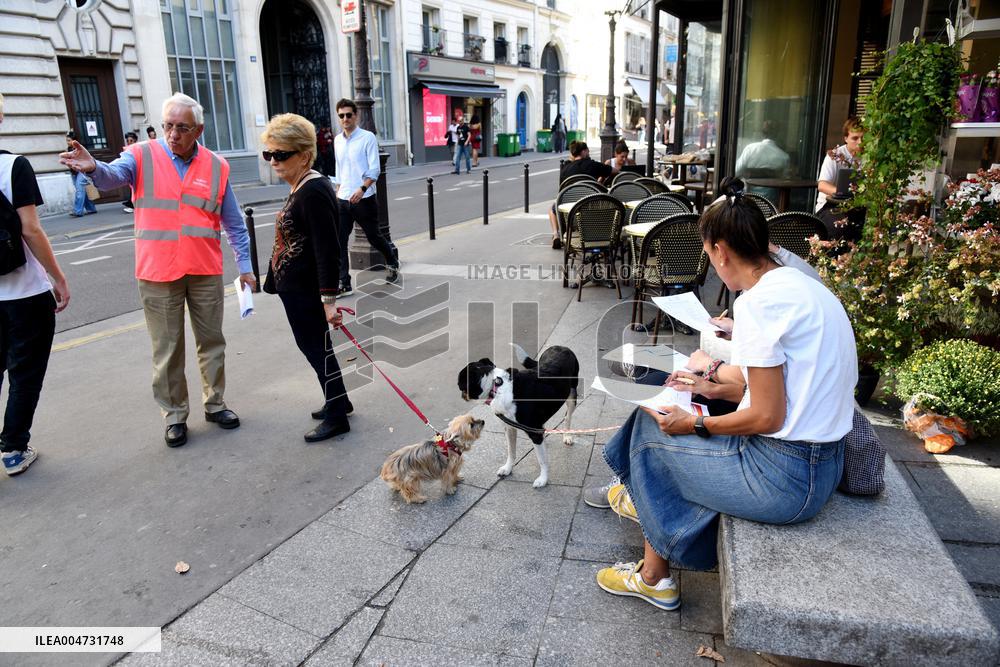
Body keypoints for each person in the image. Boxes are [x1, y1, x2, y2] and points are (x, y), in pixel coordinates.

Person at [588, 177, 856, 611]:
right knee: (674, 405)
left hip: (785, 478)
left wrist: (696, 422)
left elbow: (767, 417)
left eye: (708, 254)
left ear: (721, 251)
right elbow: (779, 385)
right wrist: (710, 385)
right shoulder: (799, 283)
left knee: (651, 430)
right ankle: (638, 495)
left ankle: (654, 576)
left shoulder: (759, 304)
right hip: (822, 462)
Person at [60, 92, 255, 448]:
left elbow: (234, 223)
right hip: (157, 271)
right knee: (167, 348)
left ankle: (215, 404)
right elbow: (112, 176)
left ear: (198, 129)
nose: (172, 134)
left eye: (182, 127)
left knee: (212, 342)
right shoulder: (140, 155)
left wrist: (245, 266)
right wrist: (93, 168)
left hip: (204, 268)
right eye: (167, 125)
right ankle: (175, 416)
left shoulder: (217, 166)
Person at [260, 113, 353, 442]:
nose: (273, 161)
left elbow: (328, 249)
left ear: (304, 154)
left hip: (306, 291)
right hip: (297, 288)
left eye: (281, 154)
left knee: (315, 348)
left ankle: (338, 415)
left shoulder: (312, 191)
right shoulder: (304, 185)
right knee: (318, 347)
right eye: (268, 154)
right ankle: (339, 399)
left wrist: (329, 301)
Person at [0, 93, 70, 476]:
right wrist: (57, 277)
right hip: (24, 293)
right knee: (24, 372)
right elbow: (30, 229)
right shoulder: (14, 166)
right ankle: (13, 450)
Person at [332, 98, 399, 295]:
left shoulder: (367, 137)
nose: (345, 119)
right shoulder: (337, 140)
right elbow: (339, 167)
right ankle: (344, 282)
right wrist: (337, 190)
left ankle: (392, 262)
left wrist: (362, 189)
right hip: (343, 199)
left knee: (374, 237)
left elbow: (375, 169)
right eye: (341, 116)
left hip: (364, 197)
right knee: (340, 241)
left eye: (348, 115)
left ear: (356, 115)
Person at [548, 140, 621, 249]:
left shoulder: (565, 169)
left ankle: (556, 234)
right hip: (592, 209)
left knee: (552, 208)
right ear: (583, 152)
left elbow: (561, 191)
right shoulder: (593, 165)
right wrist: (601, 179)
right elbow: (616, 171)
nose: (589, 152)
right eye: (587, 151)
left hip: (570, 212)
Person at [816, 117, 865, 242]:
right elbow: (822, 185)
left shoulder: (870, 158)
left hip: (858, 206)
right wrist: (842, 192)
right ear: (846, 138)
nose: (860, 142)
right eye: (855, 138)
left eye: (863, 138)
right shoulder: (835, 155)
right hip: (830, 206)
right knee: (841, 226)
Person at [66, 131, 97, 218]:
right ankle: (91, 208)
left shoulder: (80, 149)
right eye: (67, 141)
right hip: (73, 172)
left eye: (69, 140)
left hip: (81, 172)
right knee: (82, 190)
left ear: (74, 141)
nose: (67, 142)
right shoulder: (69, 149)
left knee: (79, 190)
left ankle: (78, 211)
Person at [121, 131, 138, 213]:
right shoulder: (127, 150)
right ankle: (132, 204)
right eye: (127, 141)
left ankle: (133, 205)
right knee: (132, 189)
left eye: (131, 141)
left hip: (137, 172)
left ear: (135, 141)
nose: (129, 143)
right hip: (131, 172)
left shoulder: (138, 149)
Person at [451, 109, 471, 175]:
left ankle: (469, 170)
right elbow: (458, 135)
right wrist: (458, 140)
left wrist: (466, 142)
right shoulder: (458, 127)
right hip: (460, 144)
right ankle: (457, 170)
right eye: (458, 121)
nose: (459, 122)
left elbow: (469, 135)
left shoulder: (466, 127)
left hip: (465, 145)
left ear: (463, 121)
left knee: (467, 157)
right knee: (457, 158)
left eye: (460, 121)